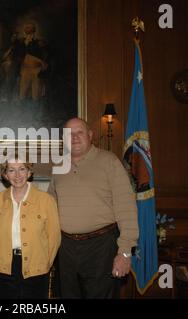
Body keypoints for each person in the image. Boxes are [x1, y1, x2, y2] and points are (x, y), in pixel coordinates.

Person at [48, 118, 139, 298]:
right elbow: (50, 205)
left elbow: (126, 207)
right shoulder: (59, 166)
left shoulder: (109, 161)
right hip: (65, 248)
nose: (74, 138)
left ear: (90, 135)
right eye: (69, 134)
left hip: (101, 247)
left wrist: (125, 252)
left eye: (79, 132)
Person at [0, 156, 61, 299]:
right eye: (11, 170)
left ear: (29, 172)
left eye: (22, 169)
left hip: (36, 268)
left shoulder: (46, 201)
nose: (17, 175)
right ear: (5, 175)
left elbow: (54, 237)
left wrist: (44, 263)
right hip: (3, 268)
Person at [14, 23, 49, 101]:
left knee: (36, 94)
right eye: (27, 31)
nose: (29, 34)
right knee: (23, 93)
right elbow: (17, 55)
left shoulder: (39, 43)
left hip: (36, 69)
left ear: (33, 32)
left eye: (30, 32)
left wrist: (41, 64)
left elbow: (44, 56)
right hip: (24, 69)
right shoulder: (21, 42)